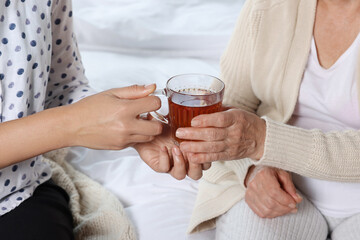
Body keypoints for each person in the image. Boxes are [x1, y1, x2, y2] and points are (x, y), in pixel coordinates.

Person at [0, 0, 204, 239]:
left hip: (18, 192)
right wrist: (70, 124)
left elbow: (63, 88)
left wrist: (136, 126)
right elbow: (71, 119)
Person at [180, 0, 360, 239]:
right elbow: (232, 106)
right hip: (278, 184)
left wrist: (264, 140)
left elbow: (258, 137)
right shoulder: (267, 6)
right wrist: (252, 169)